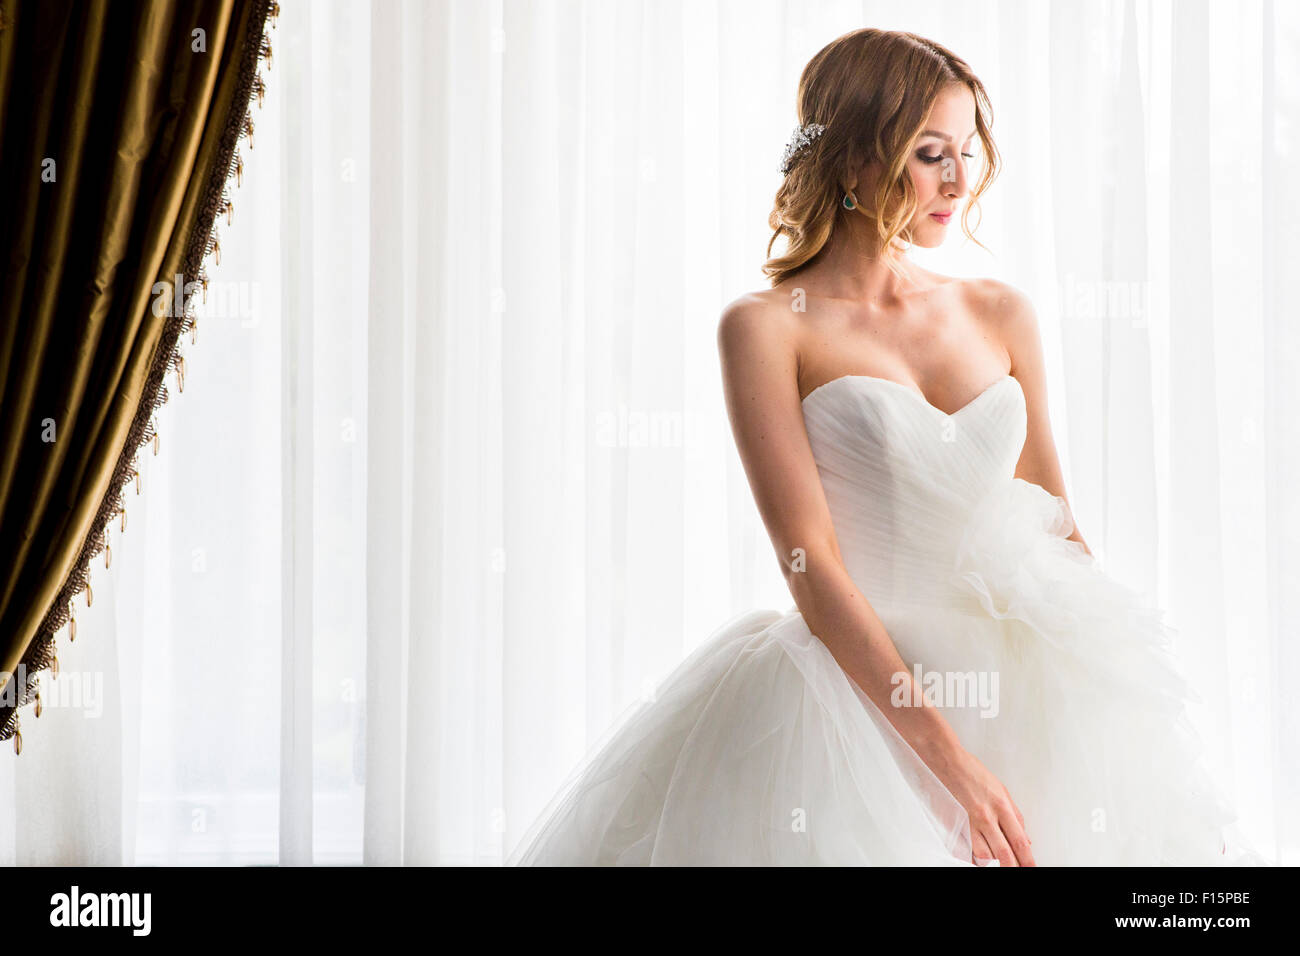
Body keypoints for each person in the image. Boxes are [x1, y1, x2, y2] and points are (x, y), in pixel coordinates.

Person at [508, 27, 1259, 866]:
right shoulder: (763, 329)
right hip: (855, 709)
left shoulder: (999, 311)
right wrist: (949, 764)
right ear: (858, 158)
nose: (959, 180)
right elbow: (811, 565)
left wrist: (1120, 701)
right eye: (931, 152)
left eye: (968, 151)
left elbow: (1055, 520)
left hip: (1031, 690)